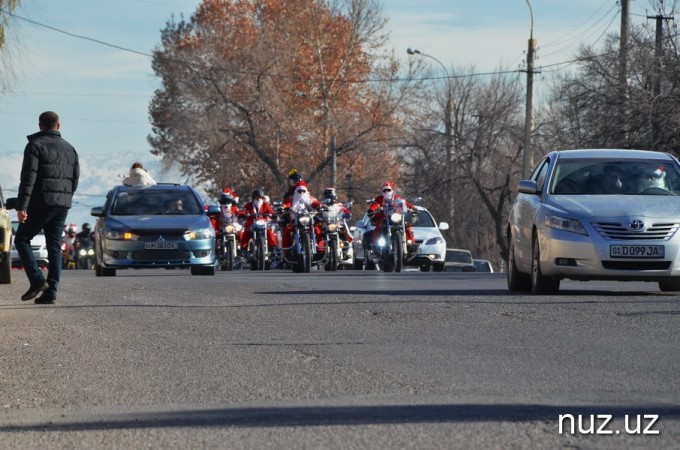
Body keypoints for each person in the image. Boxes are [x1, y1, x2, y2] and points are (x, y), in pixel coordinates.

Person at [15, 111, 79, 304]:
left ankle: (37, 280)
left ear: (40, 126)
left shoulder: (35, 146)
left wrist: (22, 206)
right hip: (62, 205)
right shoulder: (70, 148)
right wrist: (66, 198)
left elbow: (28, 178)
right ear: (58, 126)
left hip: (41, 203)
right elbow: (75, 178)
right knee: (54, 247)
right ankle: (51, 292)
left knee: (22, 239)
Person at [365, 180, 415, 248]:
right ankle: (375, 244)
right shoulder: (379, 199)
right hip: (384, 217)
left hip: (396, 217)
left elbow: (405, 203)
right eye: (384, 190)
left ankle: (411, 243)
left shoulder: (397, 197)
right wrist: (371, 210)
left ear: (392, 190)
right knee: (379, 226)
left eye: (388, 190)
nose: (386, 192)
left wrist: (413, 208)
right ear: (382, 191)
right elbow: (375, 205)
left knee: (407, 225)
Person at [281, 180, 323, 253]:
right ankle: (286, 251)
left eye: (303, 191)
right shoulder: (291, 199)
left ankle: (321, 249)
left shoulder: (310, 199)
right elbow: (287, 204)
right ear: (296, 191)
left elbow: (316, 203)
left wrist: (320, 206)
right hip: (295, 221)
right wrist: (284, 207)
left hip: (308, 221)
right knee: (287, 229)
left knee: (317, 229)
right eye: (299, 191)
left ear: (306, 191)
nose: (301, 193)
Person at [239, 189, 278, 253]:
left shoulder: (265, 205)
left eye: (261, 198)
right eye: (257, 198)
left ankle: (273, 248)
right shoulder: (249, 205)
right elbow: (243, 211)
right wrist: (242, 215)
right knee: (246, 233)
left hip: (263, 224)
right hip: (251, 224)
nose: (259, 200)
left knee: (269, 232)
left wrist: (273, 215)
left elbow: (271, 212)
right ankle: (243, 249)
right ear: (253, 198)